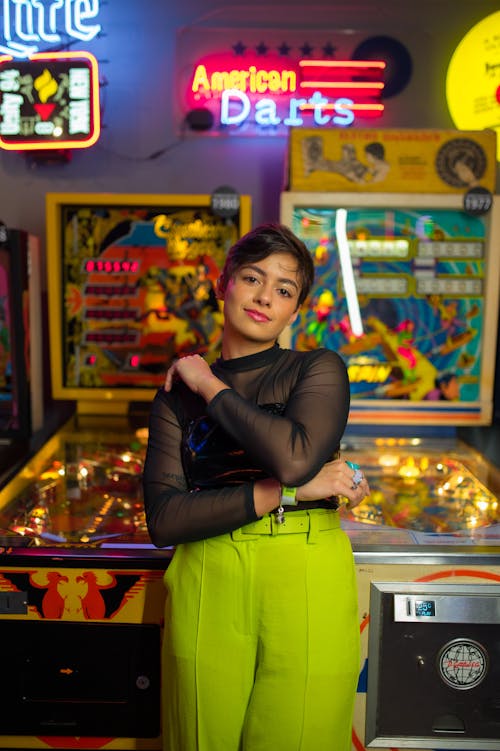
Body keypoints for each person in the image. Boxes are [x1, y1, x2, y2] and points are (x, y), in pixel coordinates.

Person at [143, 223, 370, 751]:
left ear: (296, 310)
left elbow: (292, 457)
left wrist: (209, 383)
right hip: (207, 573)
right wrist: (288, 494)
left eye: (285, 290)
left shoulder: (317, 368)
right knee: (201, 739)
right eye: (252, 278)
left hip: (306, 571)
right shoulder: (174, 399)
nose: (266, 296)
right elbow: (165, 521)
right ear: (223, 284)